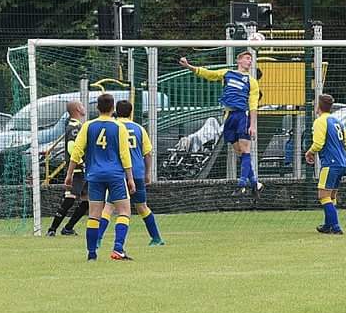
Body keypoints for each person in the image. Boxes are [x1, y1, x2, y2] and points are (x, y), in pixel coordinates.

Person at [179, 52, 263, 197]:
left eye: (251, 59)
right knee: (239, 153)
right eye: (247, 58)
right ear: (239, 60)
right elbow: (208, 74)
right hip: (229, 117)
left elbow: (253, 105)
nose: (250, 62)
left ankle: (242, 185)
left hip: (242, 115)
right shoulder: (227, 73)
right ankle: (255, 183)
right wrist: (189, 67)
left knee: (245, 150)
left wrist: (253, 125)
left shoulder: (252, 81)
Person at [65, 93, 136, 261]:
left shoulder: (88, 126)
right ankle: (118, 248)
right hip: (115, 175)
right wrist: (130, 178)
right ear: (113, 109)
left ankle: (91, 254)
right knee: (124, 211)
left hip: (94, 175)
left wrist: (69, 174)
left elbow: (77, 151)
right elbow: (125, 155)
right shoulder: (119, 127)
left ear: (97, 108)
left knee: (94, 215)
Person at [98, 100, 165, 247]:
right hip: (137, 173)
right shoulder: (139, 129)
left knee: (109, 207)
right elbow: (148, 154)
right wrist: (148, 173)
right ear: (131, 112)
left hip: (118, 173)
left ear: (116, 110)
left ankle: (98, 239)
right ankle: (156, 238)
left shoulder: (113, 127)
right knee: (142, 207)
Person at [305, 94, 346, 235]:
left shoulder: (320, 121)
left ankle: (335, 227)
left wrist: (309, 152)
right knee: (331, 196)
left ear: (318, 107)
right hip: (341, 163)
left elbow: (318, 143)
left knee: (323, 195)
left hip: (330, 164)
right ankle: (327, 225)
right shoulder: (337, 121)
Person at [47, 101, 89, 237]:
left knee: (86, 200)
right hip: (77, 170)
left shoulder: (76, 125)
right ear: (78, 109)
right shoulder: (74, 127)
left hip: (82, 171)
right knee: (69, 199)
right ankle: (52, 229)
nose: (84, 107)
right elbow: (72, 147)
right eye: (82, 105)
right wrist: (81, 162)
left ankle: (68, 228)